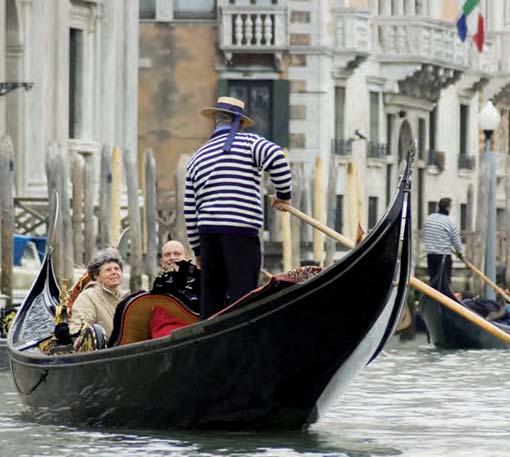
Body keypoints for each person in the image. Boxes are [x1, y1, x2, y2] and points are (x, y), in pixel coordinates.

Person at [185, 96, 292, 319]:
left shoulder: (197, 157)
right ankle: (241, 344)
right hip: (240, 233)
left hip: (208, 235)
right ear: (239, 122)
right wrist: (283, 195)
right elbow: (278, 159)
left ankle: (210, 344)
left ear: (215, 121)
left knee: (212, 299)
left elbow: (190, 211)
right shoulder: (249, 143)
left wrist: (197, 251)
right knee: (243, 297)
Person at [69, 248, 125, 340]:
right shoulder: (88, 297)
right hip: (106, 350)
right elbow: (78, 328)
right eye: (108, 270)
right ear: (96, 276)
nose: (114, 272)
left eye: (117, 269)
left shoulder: (126, 296)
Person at [151, 240, 200, 312]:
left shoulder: (198, 276)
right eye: (167, 255)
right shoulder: (159, 281)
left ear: (186, 258)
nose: (172, 258)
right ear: (162, 262)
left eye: (177, 254)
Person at [423, 197, 463, 283]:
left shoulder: (429, 219)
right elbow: (456, 242)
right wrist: (459, 253)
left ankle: (432, 296)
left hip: (431, 256)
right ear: (448, 208)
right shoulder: (449, 222)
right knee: (444, 282)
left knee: (433, 280)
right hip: (443, 256)